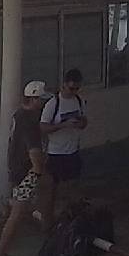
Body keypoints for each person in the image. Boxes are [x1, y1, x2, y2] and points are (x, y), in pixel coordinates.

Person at [0, 80, 49, 256]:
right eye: (42, 100)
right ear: (34, 99)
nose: (44, 104)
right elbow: (34, 152)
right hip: (26, 172)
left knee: (18, 208)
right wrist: (38, 171)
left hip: (16, 168)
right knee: (18, 213)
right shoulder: (30, 121)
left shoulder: (18, 115)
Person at [39, 68, 87, 231]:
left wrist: (81, 123)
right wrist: (63, 125)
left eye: (77, 88)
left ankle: (70, 223)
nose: (74, 92)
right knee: (50, 192)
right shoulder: (53, 104)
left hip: (72, 151)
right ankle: (47, 226)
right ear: (64, 85)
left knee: (72, 189)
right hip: (55, 153)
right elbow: (43, 127)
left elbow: (84, 121)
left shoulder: (79, 101)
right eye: (71, 88)